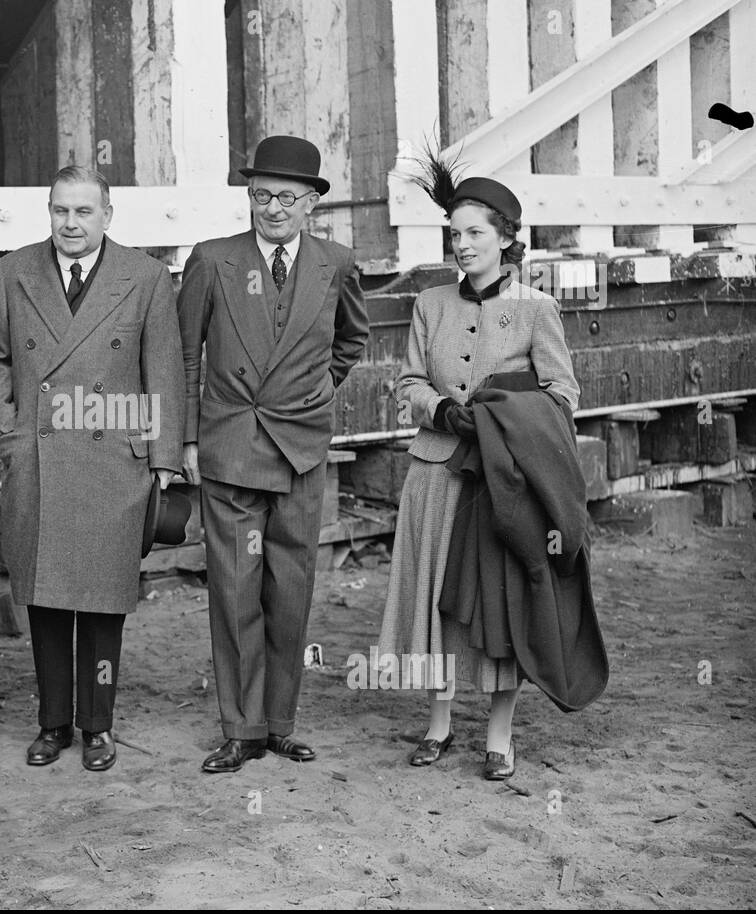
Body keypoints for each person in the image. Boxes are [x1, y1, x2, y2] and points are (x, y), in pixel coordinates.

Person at [375, 161, 582, 780]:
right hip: (435, 474)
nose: (462, 246)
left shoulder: (537, 308)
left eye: (474, 235)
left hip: (502, 484)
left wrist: (502, 417)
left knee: (498, 602)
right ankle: (438, 724)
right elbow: (407, 381)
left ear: (506, 237)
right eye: (454, 235)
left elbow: (564, 395)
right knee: (436, 599)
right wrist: (439, 408)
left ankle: (498, 737)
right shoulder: (430, 303)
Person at [0, 165, 183, 772]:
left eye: (83, 212)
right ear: (49, 212)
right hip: (37, 458)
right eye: (60, 211)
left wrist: (163, 457)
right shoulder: (15, 270)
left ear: (107, 216)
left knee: (100, 604)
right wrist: (11, 438)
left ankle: (98, 726)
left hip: (113, 461)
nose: (70, 223)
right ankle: (52, 724)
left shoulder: (144, 275)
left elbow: (163, 371)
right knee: (42, 600)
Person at [177, 136, 370, 774]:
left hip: (301, 447)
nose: (273, 209)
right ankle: (242, 728)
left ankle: (281, 723)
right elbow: (184, 356)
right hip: (230, 447)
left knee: (291, 590)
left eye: (288, 197)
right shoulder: (212, 260)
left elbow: (351, 339)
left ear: (312, 202)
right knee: (234, 591)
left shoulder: (336, 264)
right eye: (261, 195)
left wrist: (314, 392)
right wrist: (185, 440)